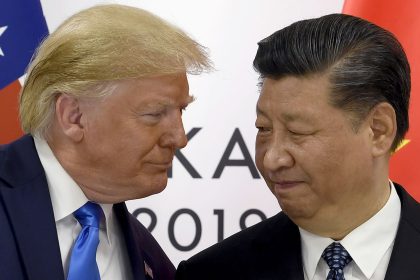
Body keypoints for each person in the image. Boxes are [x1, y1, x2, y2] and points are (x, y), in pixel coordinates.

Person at [176, 13, 419, 280]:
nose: (272, 159)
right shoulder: (212, 273)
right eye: (264, 129)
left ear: (378, 130)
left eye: (297, 132)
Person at [0, 4, 210, 280]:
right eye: (155, 114)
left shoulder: (152, 260)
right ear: (73, 116)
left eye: (180, 110)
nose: (180, 138)